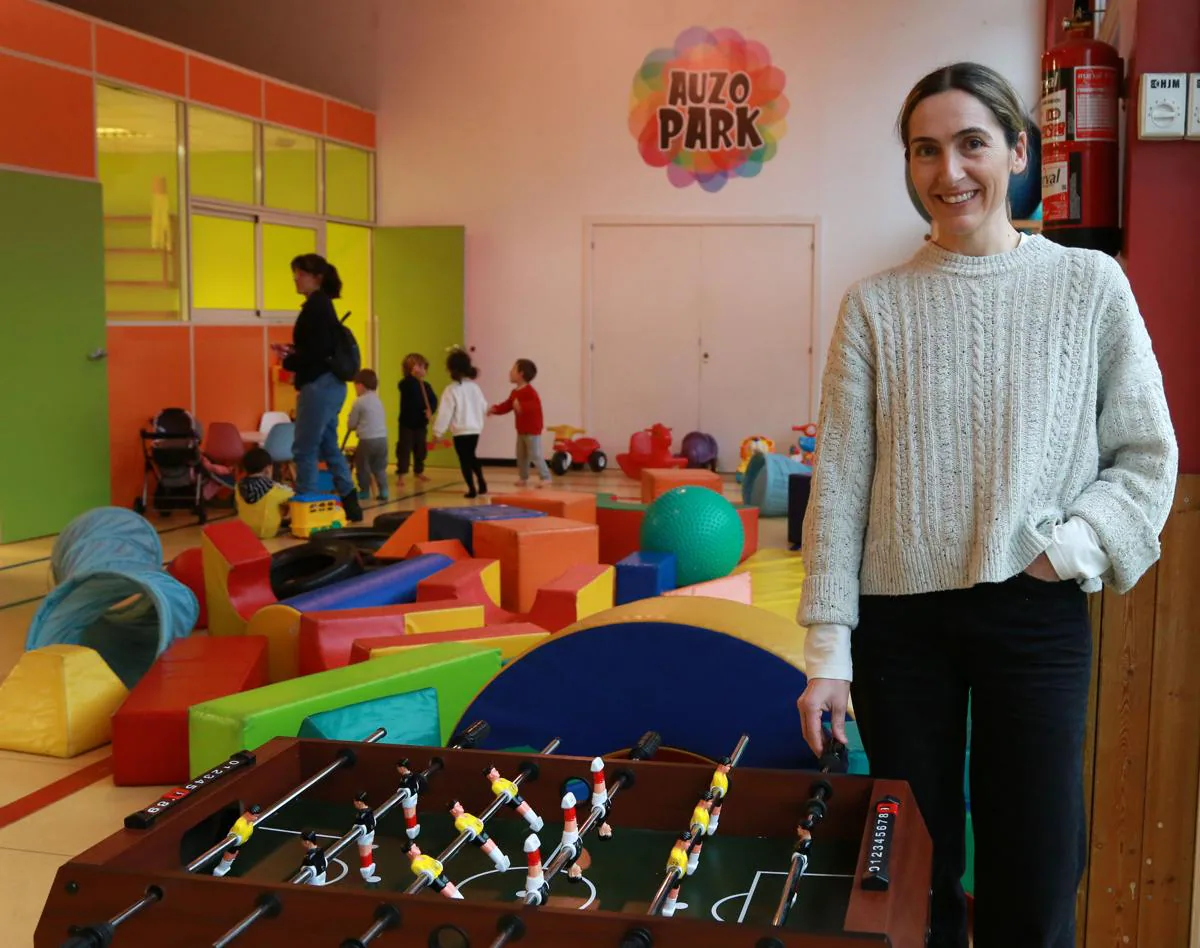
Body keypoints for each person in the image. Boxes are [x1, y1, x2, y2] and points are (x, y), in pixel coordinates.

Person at [795, 62, 1177, 948]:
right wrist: (828, 653)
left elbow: (1148, 458)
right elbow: (841, 487)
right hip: (900, 627)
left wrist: (1067, 552)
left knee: (1038, 862)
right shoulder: (873, 307)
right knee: (913, 872)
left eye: (971, 143)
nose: (949, 171)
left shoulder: (1090, 287)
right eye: (925, 150)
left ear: (1017, 149)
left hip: (1034, 609)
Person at [281, 253, 362, 522]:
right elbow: (318, 348)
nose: (296, 278)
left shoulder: (315, 308)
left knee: (304, 449)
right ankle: (351, 504)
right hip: (332, 386)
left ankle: (306, 510)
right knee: (329, 446)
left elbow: (314, 352)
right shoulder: (323, 306)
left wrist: (290, 359)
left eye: (301, 273)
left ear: (316, 278)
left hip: (318, 385)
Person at [431, 348, 489, 498]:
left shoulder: (451, 390)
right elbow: (483, 406)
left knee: (464, 459)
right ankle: (481, 481)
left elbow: (445, 413)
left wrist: (438, 432)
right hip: (475, 429)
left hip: (461, 431)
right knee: (472, 456)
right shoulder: (475, 387)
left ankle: (472, 489)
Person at [488, 358, 551, 488]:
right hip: (521, 429)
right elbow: (507, 406)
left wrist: (521, 406)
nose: (510, 372)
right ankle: (523, 477)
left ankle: (546, 477)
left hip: (532, 430)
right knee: (521, 455)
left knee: (535, 454)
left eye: (513, 369)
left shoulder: (530, 391)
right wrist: (495, 409)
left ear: (521, 374)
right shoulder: (515, 392)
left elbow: (534, 406)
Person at [347, 368, 389, 502]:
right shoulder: (378, 400)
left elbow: (351, 424)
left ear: (360, 385)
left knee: (363, 466)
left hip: (367, 440)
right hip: (382, 439)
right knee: (379, 467)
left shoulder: (359, 402)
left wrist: (352, 423)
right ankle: (384, 490)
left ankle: (364, 491)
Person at [397, 353, 437, 488]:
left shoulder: (426, 386)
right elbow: (407, 387)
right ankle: (401, 474)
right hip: (407, 424)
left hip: (420, 424)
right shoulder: (406, 384)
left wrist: (430, 409)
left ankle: (418, 471)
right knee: (404, 449)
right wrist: (414, 377)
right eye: (420, 367)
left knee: (420, 449)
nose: (423, 370)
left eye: (424, 367)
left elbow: (433, 400)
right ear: (410, 369)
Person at [234, 447, 294, 538]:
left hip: (245, 531)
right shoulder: (274, 489)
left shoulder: (238, 487)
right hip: (267, 532)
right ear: (268, 469)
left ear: (245, 469)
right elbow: (294, 497)